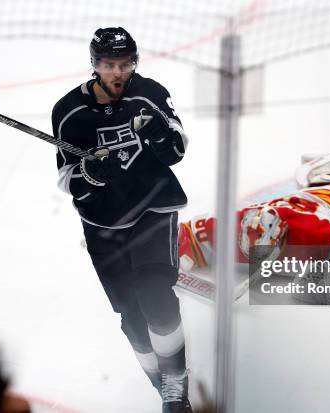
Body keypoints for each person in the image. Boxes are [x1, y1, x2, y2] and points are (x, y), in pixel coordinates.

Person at [51, 27, 191, 412]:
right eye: (110, 65)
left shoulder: (149, 93)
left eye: (125, 64)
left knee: (156, 298)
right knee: (132, 319)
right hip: (104, 223)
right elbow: (69, 181)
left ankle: (177, 392)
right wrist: (94, 173)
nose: (118, 73)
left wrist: (159, 131)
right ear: (94, 65)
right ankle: (162, 387)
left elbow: (176, 151)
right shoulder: (69, 111)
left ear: (135, 62)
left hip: (153, 207)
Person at [178, 154, 330, 304]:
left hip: (319, 207)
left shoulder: (313, 227)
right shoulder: (233, 225)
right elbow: (187, 231)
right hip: (293, 207)